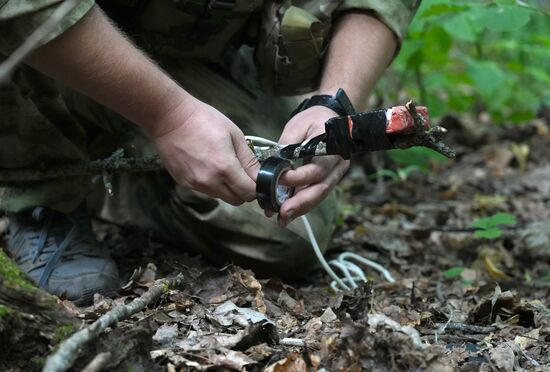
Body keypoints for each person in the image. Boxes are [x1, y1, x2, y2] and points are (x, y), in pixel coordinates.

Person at [0, 0, 419, 305]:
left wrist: (334, 104)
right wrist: (171, 117)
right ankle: (38, 193)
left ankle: (110, 174)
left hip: (190, 54)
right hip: (46, 36)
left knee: (281, 232)